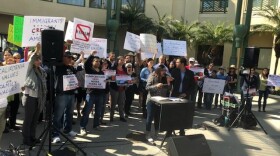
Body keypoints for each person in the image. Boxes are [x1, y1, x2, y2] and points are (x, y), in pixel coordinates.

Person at [22, 43, 47, 146]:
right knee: (28, 120)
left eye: (39, 59)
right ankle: (26, 139)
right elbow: (30, 61)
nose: (38, 61)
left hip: (38, 98)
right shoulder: (28, 69)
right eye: (37, 59)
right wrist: (36, 50)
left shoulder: (41, 71)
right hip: (30, 98)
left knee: (35, 120)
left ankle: (32, 137)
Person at [52, 51, 78, 143]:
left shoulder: (70, 67)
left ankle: (68, 129)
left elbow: (75, 76)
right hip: (62, 94)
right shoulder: (58, 66)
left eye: (71, 58)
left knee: (69, 113)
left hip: (71, 93)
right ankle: (55, 134)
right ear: (62, 57)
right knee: (58, 115)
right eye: (68, 57)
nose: (70, 59)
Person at [80, 53, 106, 136]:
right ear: (92, 62)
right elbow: (85, 64)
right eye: (96, 61)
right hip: (91, 94)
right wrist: (91, 54)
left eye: (99, 61)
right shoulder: (89, 69)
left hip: (100, 94)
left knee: (98, 111)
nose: (98, 62)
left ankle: (96, 125)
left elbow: (102, 82)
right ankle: (83, 127)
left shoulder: (101, 72)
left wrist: (105, 82)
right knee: (87, 111)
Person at [145, 65, 172, 142]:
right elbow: (147, 87)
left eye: (165, 71)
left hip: (160, 101)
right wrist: (156, 86)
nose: (165, 72)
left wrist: (168, 82)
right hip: (151, 100)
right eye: (163, 71)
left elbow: (169, 89)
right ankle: (148, 134)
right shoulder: (152, 76)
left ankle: (156, 133)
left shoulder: (165, 77)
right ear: (159, 70)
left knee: (158, 118)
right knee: (149, 118)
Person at [170, 57, 195, 136]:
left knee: (183, 114)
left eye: (177, 62)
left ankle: (181, 131)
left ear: (182, 63)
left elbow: (192, 86)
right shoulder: (174, 71)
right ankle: (170, 130)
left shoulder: (190, 73)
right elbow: (170, 83)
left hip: (184, 96)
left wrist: (186, 93)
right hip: (175, 95)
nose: (176, 63)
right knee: (173, 113)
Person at [109, 56, 127, 122]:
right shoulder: (113, 68)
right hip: (114, 88)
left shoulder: (124, 68)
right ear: (118, 60)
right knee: (113, 103)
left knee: (121, 103)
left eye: (123, 60)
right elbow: (110, 78)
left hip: (122, 88)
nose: (122, 61)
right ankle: (111, 116)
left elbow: (127, 77)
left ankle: (122, 116)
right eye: (121, 60)